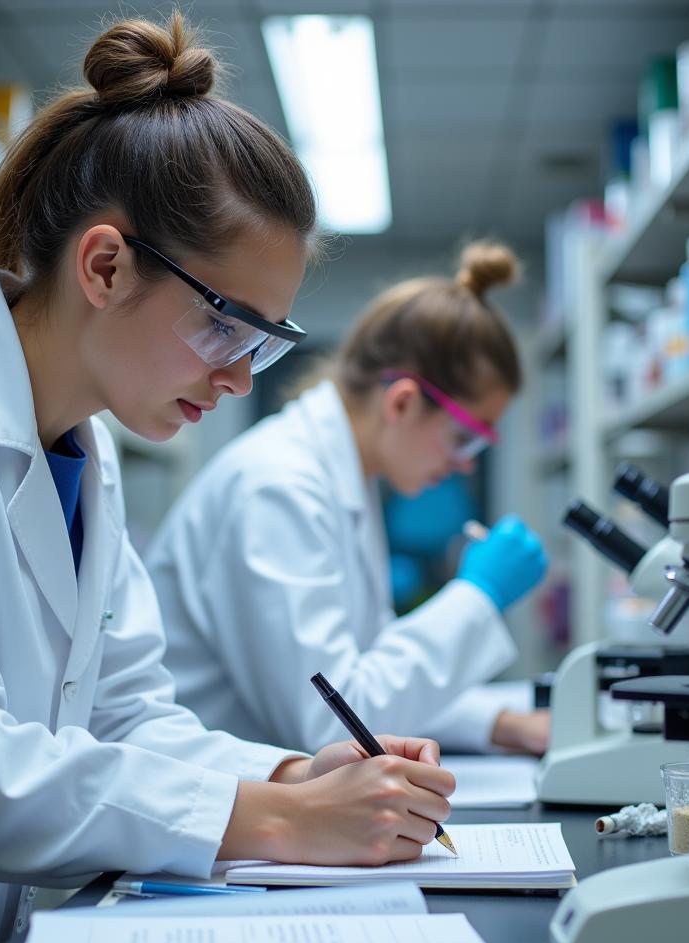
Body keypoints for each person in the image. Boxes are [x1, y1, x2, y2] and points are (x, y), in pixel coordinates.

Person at [0, 16, 453, 943]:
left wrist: (292, 770)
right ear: (103, 267)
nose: (237, 376)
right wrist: (275, 818)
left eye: (263, 343)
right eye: (224, 324)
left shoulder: (85, 449)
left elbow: (132, 716)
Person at [147, 242, 550, 757]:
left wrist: (503, 723)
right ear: (402, 402)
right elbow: (337, 722)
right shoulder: (278, 487)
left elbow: (370, 671)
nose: (465, 464)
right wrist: (479, 594)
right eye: (465, 438)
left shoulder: (343, 481)